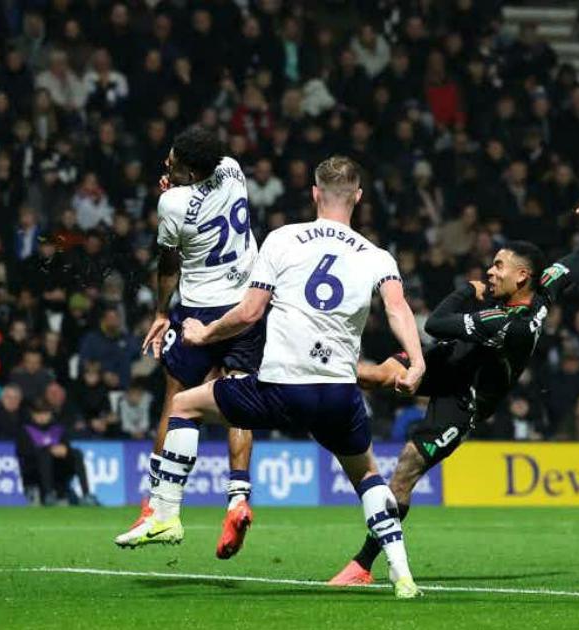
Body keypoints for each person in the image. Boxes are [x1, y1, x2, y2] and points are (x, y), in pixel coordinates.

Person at [116, 156, 426, 599]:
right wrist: (415, 361)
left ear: (315, 193)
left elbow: (249, 312)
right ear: (357, 197)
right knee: (369, 477)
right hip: (338, 393)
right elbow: (398, 309)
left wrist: (204, 331)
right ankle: (402, 574)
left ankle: (165, 512)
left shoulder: (283, 239)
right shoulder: (377, 256)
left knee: (184, 405)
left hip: (279, 389)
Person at [330, 192, 579, 586]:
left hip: (467, 399)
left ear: (520, 277)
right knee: (379, 374)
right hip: (454, 363)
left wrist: (466, 290)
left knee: (405, 472)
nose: (491, 272)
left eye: (498, 267)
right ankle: (309, 374)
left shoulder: (507, 322)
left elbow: (437, 323)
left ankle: (363, 564)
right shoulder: (546, 286)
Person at [134, 125, 263, 559]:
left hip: (202, 309)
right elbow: (205, 191)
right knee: (238, 395)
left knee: (177, 394)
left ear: (187, 167)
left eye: (173, 160)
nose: (167, 162)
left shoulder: (170, 202)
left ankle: (156, 505)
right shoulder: (232, 167)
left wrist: (160, 311)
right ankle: (238, 498)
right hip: (248, 304)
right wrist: (185, 183)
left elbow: (169, 261)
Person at [16, 399, 95, 506]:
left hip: (57, 471)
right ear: (33, 415)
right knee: (45, 455)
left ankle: (86, 494)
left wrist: (65, 450)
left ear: (50, 414)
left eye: (45, 413)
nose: (42, 416)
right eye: (38, 413)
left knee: (76, 453)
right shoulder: (25, 430)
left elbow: (65, 445)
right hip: (34, 472)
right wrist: (48, 450)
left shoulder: (58, 429)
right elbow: (23, 452)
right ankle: (48, 494)